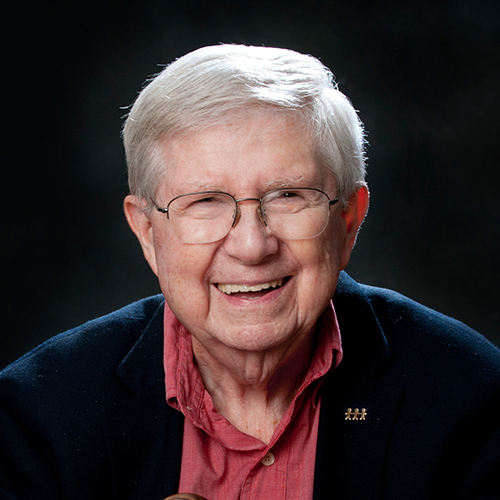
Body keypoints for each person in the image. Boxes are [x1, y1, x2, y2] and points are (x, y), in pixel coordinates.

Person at [1, 44, 499, 500]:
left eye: (288, 196)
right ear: (148, 232)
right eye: (205, 202)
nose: (252, 245)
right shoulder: (38, 415)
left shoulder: (473, 400)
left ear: (349, 219)